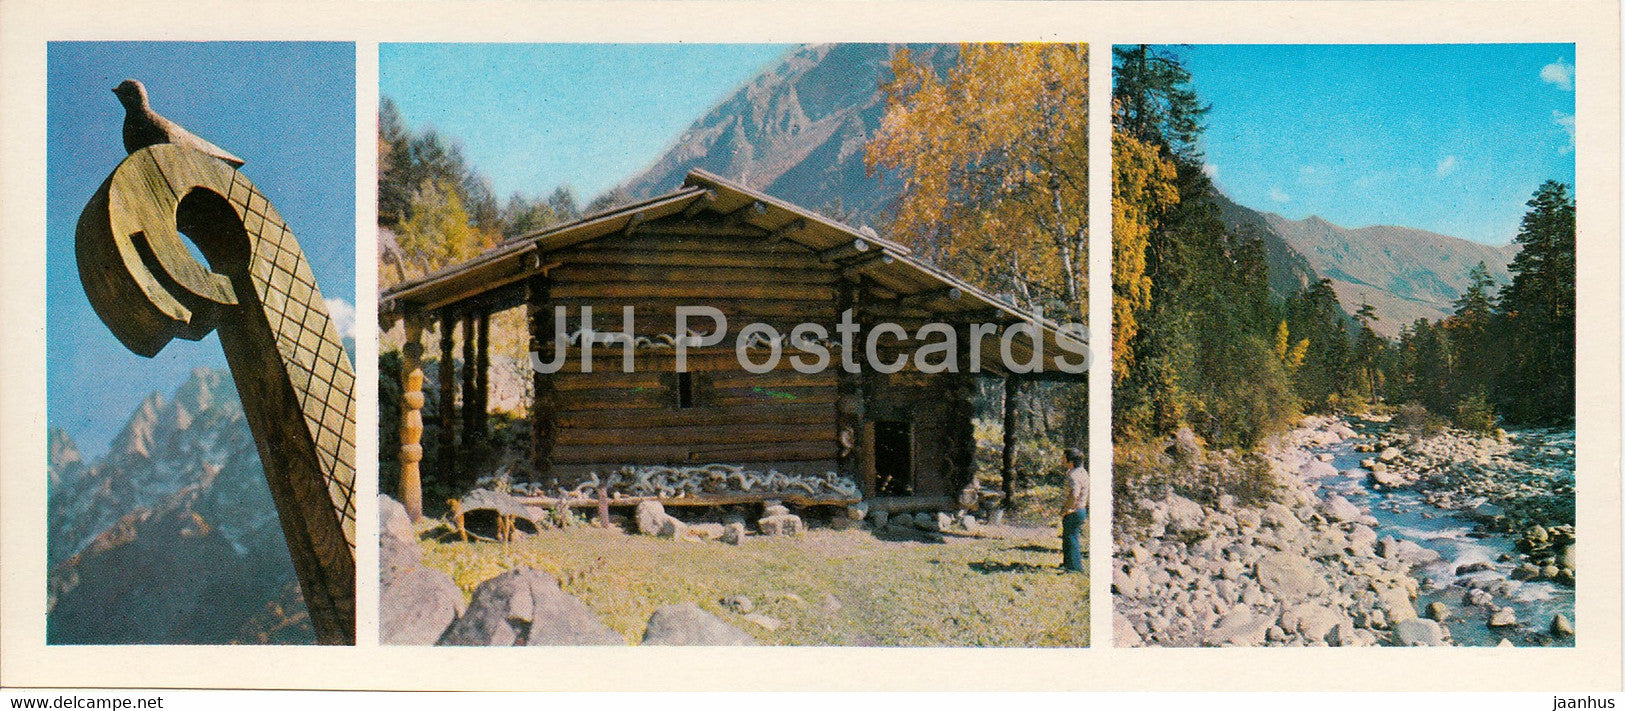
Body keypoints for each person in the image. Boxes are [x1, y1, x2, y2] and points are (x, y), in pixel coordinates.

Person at [1060, 448, 1087, 572]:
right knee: (1069, 537)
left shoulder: (1074, 475)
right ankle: (1068, 564)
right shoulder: (1082, 472)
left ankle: (1074, 568)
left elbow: (1074, 495)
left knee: (1071, 538)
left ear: (1070, 460)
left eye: (1064, 457)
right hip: (1081, 509)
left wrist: (1066, 509)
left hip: (1074, 511)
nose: (1062, 459)